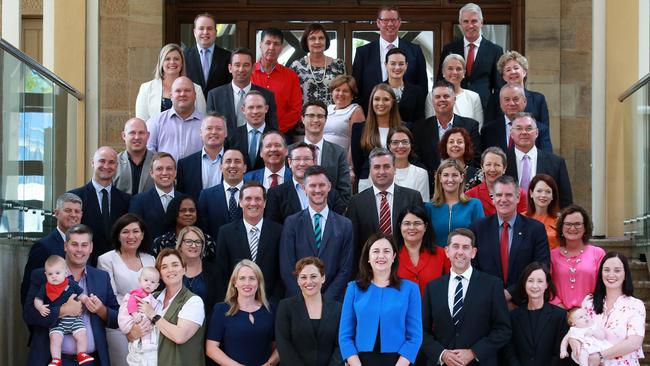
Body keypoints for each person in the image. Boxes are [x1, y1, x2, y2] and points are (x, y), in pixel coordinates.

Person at [23, 224, 120, 366]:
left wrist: (101, 310)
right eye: (74, 244)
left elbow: (117, 319)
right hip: (52, 360)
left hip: (90, 361)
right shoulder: (43, 275)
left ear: (91, 247)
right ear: (65, 246)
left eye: (84, 245)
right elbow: (29, 314)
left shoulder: (101, 277)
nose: (79, 250)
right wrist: (62, 311)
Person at [421, 228, 511, 366]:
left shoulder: (492, 285)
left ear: (473, 252)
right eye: (455, 246)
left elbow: (503, 329)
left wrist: (474, 352)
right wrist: (442, 354)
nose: (460, 252)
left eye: (466, 247)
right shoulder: (433, 287)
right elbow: (421, 330)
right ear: (447, 251)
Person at [339, 234, 422, 366]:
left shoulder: (410, 289)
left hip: (398, 361)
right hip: (360, 361)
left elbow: (415, 337)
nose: (381, 256)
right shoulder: (353, 288)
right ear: (368, 257)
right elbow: (345, 336)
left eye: (387, 251)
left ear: (394, 256)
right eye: (376, 251)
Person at [470, 175, 550, 306]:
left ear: (518, 197)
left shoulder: (535, 229)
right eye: (499, 195)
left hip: (525, 303)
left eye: (508, 195)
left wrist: (511, 293)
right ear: (493, 198)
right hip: (486, 304)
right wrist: (495, 295)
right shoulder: (478, 228)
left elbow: (542, 266)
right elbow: (473, 268)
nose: (503, 199)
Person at [280, 166, 354, 301]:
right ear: (304, 188)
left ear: (329, 186)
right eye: (312, 185)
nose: (318, 190)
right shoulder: (292, 223)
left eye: (322, 185)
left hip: (333, 303)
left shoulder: (345, 225)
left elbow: (345, 268)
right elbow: (287, 266)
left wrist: (325, 300)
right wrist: (305, 298)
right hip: (299, 302)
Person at [347, 148, 423, 266]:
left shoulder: (413, 197)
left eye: (386, 166)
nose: (381, 172)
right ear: (370, 170)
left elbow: (420, 237)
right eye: (376, 167)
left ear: (394, 169)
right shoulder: (356, 202)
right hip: (370, 269)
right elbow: (354, 244)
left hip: (406, 266)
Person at [97, 213, 156, 366]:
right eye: (125, 231)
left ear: (142, 235)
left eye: (136, 231)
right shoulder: (106, 259)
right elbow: (110, 297)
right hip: (120, 325)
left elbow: (154, 292)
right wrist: (131, 326)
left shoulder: (150, 259)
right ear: (118, 235)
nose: (131, 236)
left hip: (148, 325)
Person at [136, 248, 206, 366]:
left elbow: (180, 336)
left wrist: (153, 315)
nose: (170, 270)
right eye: (164, 267)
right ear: (160, 275)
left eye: (175, 265)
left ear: (184, 269)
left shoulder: (194, 301)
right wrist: (134, 331)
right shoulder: (152, 298)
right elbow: (133, 330)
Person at [352, 5, 427, 114]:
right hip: (372, 117)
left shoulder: (415, 51)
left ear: (399, 22)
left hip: (407, 119)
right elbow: (356, 88)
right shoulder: (363, 53)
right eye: (385, 20)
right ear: (378, 23)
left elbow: (422, 86)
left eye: (393, 20)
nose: (390, 24)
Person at [216, 182, 283, 303]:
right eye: (248, 199)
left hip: (270, 304)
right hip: (236, 304)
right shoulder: (226, 232)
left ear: (265, 203)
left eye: (258, 199)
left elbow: (281, 271)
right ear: (240, 202)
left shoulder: (279, 231)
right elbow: (222, 272)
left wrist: (273, 303)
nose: (253, 203)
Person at [206, 260, 279, 365]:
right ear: (234, 282)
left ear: (258, 283)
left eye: (252, 278)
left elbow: (279, 345)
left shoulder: (270, 309)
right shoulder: (221, 310)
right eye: (242, 278)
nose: (247, 283)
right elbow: (211, 348)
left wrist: (269, 364)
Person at [579, 252, 646, 365]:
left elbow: (634, 342)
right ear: (601, 273)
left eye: (617, 270)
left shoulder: (635, 305)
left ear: (625, 274)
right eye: (606, 270)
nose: (611, 275)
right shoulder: (588, 302)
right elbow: (578, 331)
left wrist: (600, 356)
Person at [275, 257, 343, 366]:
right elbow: (284, 345)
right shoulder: (285, 307)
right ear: (298, 280)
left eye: (314, 276)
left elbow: (340, 345)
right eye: (303, 277)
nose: (308, 281)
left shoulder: (338, 309)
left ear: (323, 278)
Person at [69, 146, 131, 265]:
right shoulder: (75, 197)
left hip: (117, 264)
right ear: (93, 162)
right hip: (84, 264)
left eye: (111, 162)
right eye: (102, 161)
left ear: (117, 166)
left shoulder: (126, 200)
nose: (106, 166)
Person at [411, 80, 481, 180]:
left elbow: (475, 159)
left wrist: (460, 177)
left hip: (463, 185)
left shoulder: (470, 126)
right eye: (437, 97)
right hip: (431, 185)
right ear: (432, 101)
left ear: (454, 99)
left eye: (446, 96)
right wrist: (435, 179)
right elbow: (416, 159)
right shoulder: (420, 128)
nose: (442, 100)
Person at [437, 3, 504, 108]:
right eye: (466, 21)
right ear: (460, 23)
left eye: (474, 21)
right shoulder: (449, 49)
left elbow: (499, 87)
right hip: (454, 106)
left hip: (484, 108)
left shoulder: (495, 50)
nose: (470, 25)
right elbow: (441, 81)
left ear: (481, 22)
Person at [21, 192, 83, 305]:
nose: (73, 215)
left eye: (77, 211)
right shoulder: (43, 247)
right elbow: (28, 290)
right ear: (56, 213)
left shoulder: (85, 247)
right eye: (68, 210)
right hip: (51, 318)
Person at [504, 262, 569, 366]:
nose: (535, 286)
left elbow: (561, 353)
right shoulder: (513, 316)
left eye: (540, 281)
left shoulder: (559, 316)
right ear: (524, 283)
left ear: (547, 285)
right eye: (530, 280)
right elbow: (509, 352)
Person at [33, 255, 94, 366]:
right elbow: (37, 300)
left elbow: (81, 295)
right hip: (57, 322)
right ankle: (56, 359)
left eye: (57, 273)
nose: (54, 277)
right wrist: (40, 307)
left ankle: (81, 354)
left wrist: (87, 300)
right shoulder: (45, 287)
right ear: (46, 275)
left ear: (65, 273)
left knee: (81, 334)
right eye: (50, 274)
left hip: (74, 319)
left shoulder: (71, 284)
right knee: (55, 339)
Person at [265, 143, 346, 224]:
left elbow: (339, 225)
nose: (302, 163)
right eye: (297, 159)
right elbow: (273, 227)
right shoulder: (275, 194)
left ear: (314, 161)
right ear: (289, 162)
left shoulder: (331, 193)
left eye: (307, 159)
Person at [505, 112, 573, 208]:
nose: (524, 132)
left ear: (536, 133)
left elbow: (566, 201)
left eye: (529, 128)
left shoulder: (556, 163)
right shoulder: (502, 161)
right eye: (519, 128)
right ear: (511, 134)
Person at [294, 100, 352, 204]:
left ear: (326, 120)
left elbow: (345, 191)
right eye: (311, 115)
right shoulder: (290, 151)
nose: (315, 120)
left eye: (320, 116)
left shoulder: (339, 153)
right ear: (302, 119)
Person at [206, 47, 278, 131]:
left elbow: (272, 129)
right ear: (230, 68)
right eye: (237, 65)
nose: (241, 69)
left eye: (246, 65)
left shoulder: (266, 96)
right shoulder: (215, 96)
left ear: (253, 68)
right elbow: (211, 128)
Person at [550, 205, 606, 310]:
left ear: (585, 228)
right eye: (568, 224)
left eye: (577, 224)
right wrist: (562, 311)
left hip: (590, 314)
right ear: (561, 227)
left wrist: (588, 310)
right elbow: (547, 287)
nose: (572, 228)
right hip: (559, 314)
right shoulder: (551, 256)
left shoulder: (598, 254)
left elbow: (603, 286)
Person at [350, 84, 402, 191]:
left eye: (386, 99)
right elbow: (357, 161)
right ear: (371, 102)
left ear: (392, 103)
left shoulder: (404, 128)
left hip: (399, 180)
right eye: (377, 99)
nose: (380, 103)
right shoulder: (359, 129)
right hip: (367, 182)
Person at [135, 43, 206, 121]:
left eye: (176, 59)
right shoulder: (146, 89)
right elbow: (141, 123)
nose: (172, 62)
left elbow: (202, 120)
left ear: (182, 63)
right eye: (167, 59)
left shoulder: (196, 89)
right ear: (161, 63)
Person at [251, 27, 302, 136]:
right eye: (268, 43)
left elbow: (295, 109)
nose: (271, 47)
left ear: (281, 47)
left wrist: (276, 129)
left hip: (281, 134)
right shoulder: (249, 73)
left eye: (276, 44)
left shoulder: (291, 76)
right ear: (260, 45)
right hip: (251, 133)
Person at [426, 159, 484, 247]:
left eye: (455, 175)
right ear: (439, 178)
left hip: (465, 258)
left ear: (462, 177)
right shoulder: (429, 207)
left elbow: (481, 237)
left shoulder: (474, 205)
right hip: (437, 258)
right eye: (446, 175)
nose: (450, 179)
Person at [486, 50, 550, 129]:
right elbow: (488, 130)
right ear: (504, 77)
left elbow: (544, 129)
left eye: (516, 68)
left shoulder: (538, 99)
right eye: (508, 70)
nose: (513, 72)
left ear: (524, 72)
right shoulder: (494, 99)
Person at [146, 76, 205, 161]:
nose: (182, 94)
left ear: (195, 95)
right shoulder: (155, 122)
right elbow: (148, 154)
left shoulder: (206, 124)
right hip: (165, 173)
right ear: (171, 96)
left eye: (187, 90)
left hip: (197, 174)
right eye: (178, 91)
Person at [481, 83, 553, 152]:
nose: (511, 103)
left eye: (516, 99)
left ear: (525, 101)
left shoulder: (541, 130)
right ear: (500, 103)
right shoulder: (488, 131)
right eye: (507, 100)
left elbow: (547, 160)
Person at [395, 205, 450, 295]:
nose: (412, 227)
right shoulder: (391, 255)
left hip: (433, 308)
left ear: (425, 226)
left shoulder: (442, 254)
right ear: (399, 226)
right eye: (407, 223)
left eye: (417, 223)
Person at [175, 226, 225, 320]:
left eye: (198, 242)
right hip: (175, 327)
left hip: (207, 327)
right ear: (180, 245)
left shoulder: (214, 271)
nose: (194, 245)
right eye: (189, 241)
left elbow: (219, 304)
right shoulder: (172, 270)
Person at [129, 152, 182, 240]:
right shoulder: (139, 201)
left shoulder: (184, 200)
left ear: (175, 172)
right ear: (151, 173)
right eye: (159, 169)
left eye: (169, 168)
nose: (164, 173)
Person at [290, 23, 346, 105]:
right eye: (312, 38)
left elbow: (345, 92)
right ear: (306, 42)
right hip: (305, 116)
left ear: (326, 41)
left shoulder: (338, 64)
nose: (317, 42)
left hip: (333, 116)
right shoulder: (296, 66)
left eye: (321, 38)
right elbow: (289, 95)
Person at [176, 113, 228, 200]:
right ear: (201, 132)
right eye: (209, 128)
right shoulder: (185, 165)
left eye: (219, 129)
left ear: (226, 133)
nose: (214, 132)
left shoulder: (236, 162)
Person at [197, 149, 245, 239]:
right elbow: (202, 228)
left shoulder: (255, 194)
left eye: (237, 161)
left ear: (245, 168)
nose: (232, 165)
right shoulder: (206, 195)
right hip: (216, 250)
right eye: (228, 161)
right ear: (221, 167)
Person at [152, 195, 217, 262]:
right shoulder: (161, 242)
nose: (188, 213)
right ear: (174, 213)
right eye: (182, 210)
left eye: (192, 210)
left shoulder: (207, 241)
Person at [466, 146, 528, 216]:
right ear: (482, 167)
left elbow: (524, 223)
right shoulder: (470, 195)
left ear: (504, 168)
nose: (492, 169)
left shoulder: (519, 194)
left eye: (497, 165)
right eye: (488, 164)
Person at [117, 267, 160, 366]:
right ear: (139, 280)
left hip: (143, 318)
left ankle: (145, 345)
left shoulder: (151, 296)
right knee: (144, 323)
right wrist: (134, 314)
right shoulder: (138, 292)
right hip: (135, 317)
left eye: (153, 282)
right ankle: (145, 345)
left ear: (157, 285)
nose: (149, 283)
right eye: (146, 280)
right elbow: (131, 303)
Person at [426, 53, 483, 126]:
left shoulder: (474, 97)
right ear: (443, 72)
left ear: (464, 73)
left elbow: (478, 126)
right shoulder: (432, 95)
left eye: (458, 69)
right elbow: (429, 124)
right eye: (450, 68)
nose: (454, 72)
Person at [183, 13, 232, 98]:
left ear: (215, 32)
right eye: (201, 28)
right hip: (192, 108)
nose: (205, 32)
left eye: (209, 28)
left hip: (218, 108)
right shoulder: (184, 56)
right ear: (194, 32)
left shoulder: (228, 57)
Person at [230, 90, 277, 171]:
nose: (255, 112)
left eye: (259, 107)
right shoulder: (232, 136)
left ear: (266, 109)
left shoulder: (277, 136)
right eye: (251, 107)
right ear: (243, 110)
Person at [114, 118, 155, 195]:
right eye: (132, 133)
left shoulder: (157, 162)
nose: (137, 137)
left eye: (141, 133)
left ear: (148, 135)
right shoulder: (113, 163)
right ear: (124, 135)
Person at [324, 75, 366, 152]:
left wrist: (348, 163)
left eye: (345, 91)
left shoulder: (355, 110)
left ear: (352, 95)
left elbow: (356, 142)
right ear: (332, 93)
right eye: (337, 90)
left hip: (341, 159)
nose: (340, 94)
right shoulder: (328, 109)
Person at [387, 126, 429, 201]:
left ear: (411, 145)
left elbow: (422, 204)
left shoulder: (421, 173)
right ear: (389, 146)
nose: (400, 146)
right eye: (395, 142)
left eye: (405, 142)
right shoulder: (383, 172)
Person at [384, 47, 426, 124]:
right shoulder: (378, 89)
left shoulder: (417, 92)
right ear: (386, 65)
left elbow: (420, 122)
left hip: (410, 134)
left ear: (406, 65)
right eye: (393, 63)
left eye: (401, 64)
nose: (397, 67)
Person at [525, 174, 561, 249]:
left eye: (548, 192)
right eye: (539, 191)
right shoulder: (520, 219)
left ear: (552, 196)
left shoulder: (559, 220)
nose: (543, 195)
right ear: (531, 193)